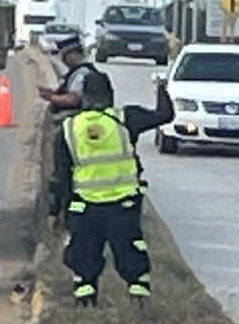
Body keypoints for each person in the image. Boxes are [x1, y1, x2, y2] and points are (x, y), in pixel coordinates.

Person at [52, 70, 173, 306]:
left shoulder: (68, 130)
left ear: (84, 97)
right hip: (123, 206)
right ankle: (139, 301)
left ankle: (85, 303)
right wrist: (161, 87)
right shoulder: (125, 119)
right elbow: (165, 115)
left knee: (84, 256)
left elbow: (61, 177)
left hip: (84, 207)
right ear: (111, 95)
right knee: (130, 251)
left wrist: (55, 211)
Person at [38, 34, 98, 116]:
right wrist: (53, 94)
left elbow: (72, 100)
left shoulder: (81, 73)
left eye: (64, 56)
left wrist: (51, 97)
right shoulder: (90, 70)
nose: (63, 61)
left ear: (71, 55)